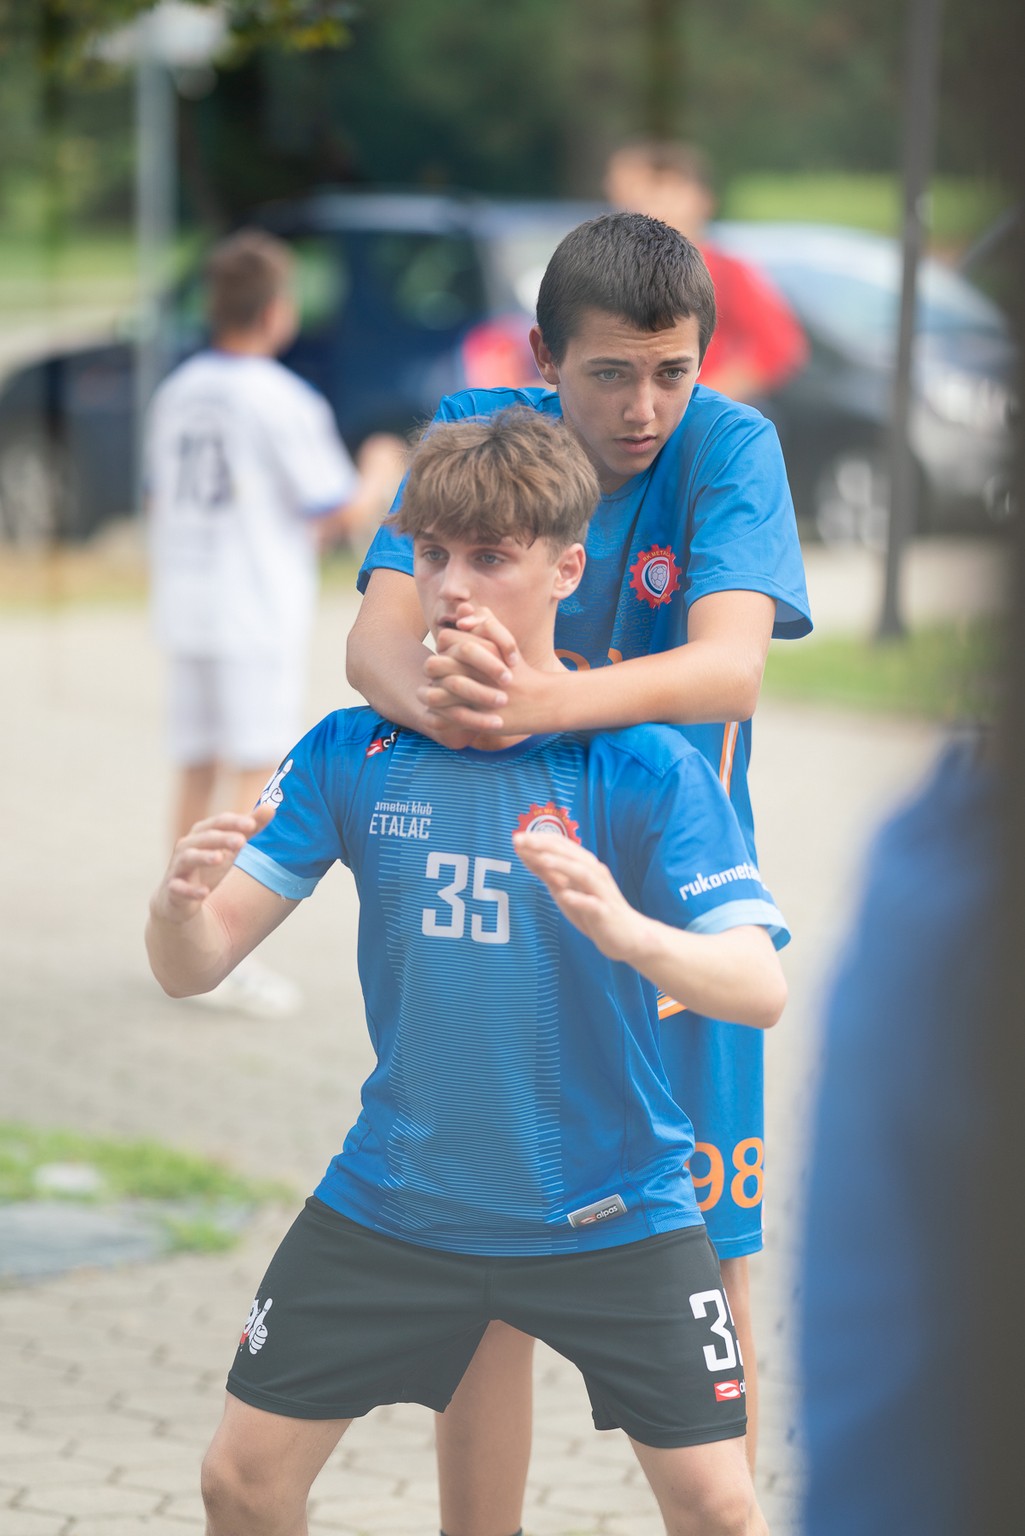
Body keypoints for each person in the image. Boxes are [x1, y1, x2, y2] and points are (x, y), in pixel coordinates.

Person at [146, 408, 791, 1536]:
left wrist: (630, 933)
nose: (451, 588)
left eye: (489, 558)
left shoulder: (635, 762)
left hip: (616, 1212)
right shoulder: (352, 750)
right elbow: (194, 969)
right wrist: (174, 912)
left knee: (721, 1512)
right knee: (238, 1480)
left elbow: (756, 985)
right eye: (433, 554)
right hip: (397, 1207)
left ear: (564, 566)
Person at [346, 211, 811, 1529]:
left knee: (710, 1273)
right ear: (545, 356)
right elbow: (374, 650)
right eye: (610, 373)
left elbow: (729, 667)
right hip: (499, 925)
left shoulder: (732, 447)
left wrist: (530, 702)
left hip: (681, 932)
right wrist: (461, 714)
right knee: (486, 1277)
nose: (645, 404)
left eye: (673, 369)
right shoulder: (481, 430)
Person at [146, 227, 372, 850]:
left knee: (196, 764)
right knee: (256, 767)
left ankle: (179, 906)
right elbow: (335, 504)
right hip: (252, 602)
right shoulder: (282, 398)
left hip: (185, 597)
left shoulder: (176, 392)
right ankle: (223, 924)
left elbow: (155, 495)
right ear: (275, 311)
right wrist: (380, 469)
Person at [604, 141, 808, 405]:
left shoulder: (723, 269)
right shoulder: (612, 269)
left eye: (668, 192)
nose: (654, 206)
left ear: (702, 201)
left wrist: (700, 397)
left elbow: (779, 345)